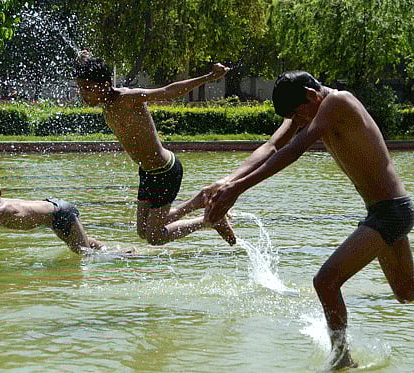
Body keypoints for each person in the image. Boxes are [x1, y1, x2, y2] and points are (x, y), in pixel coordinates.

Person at [204, 70, 414, 369]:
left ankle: (342, 359)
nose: (298, 121)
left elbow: (294, 150)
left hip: (391, 211)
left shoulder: (337, 102)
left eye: (297, 114)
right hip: (383, 211)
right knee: (407, 293)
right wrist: (228, 181)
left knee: (326, 282)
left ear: (311, 95)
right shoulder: (312, 107)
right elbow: (273, 146)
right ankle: (343, 358)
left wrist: (237, 190)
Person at [74, 51, 236, 247]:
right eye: (81, 88)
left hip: (165, 170)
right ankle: (200, 201)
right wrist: (86, 61)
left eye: (87, 88)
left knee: (155, 236)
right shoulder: (107, 105)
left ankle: (208, 220)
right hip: (147, 172)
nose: (82, 94)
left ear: (105, 85)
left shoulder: (126, 98)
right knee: (143, 231)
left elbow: (168, 92)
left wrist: (210, 77)